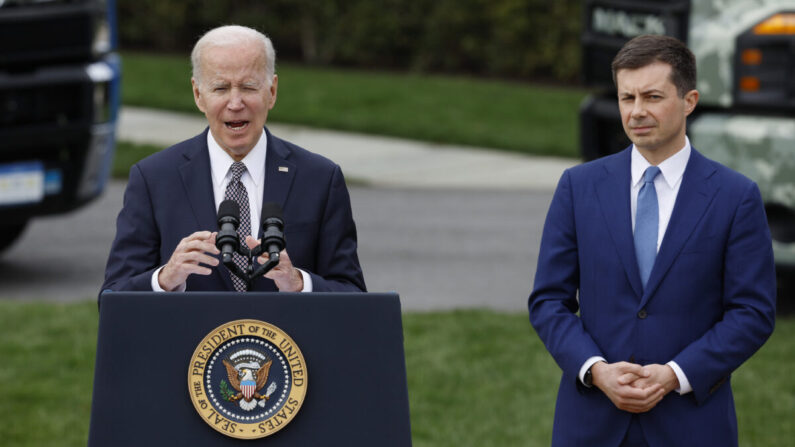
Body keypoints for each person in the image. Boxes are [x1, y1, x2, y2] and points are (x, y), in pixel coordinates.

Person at [528, 35, 775, 447]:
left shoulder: (735, 197)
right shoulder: (578, 186)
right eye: (627, 98)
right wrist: (595, 369)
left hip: (691, 425)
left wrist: (675, 374)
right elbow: (548, 300)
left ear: (689, 100)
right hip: (591, 423)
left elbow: (752, 311)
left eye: (652, 96)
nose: (637, 111)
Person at [102, 25, 365, 294]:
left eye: (248, 87)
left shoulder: (320, 179)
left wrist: (299, 284)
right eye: (221, 88)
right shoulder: (153, 179)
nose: (235, 102)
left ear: (272, 91)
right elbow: (112, 298)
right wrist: (164, 279)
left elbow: (355, 298)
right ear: (198, 95)